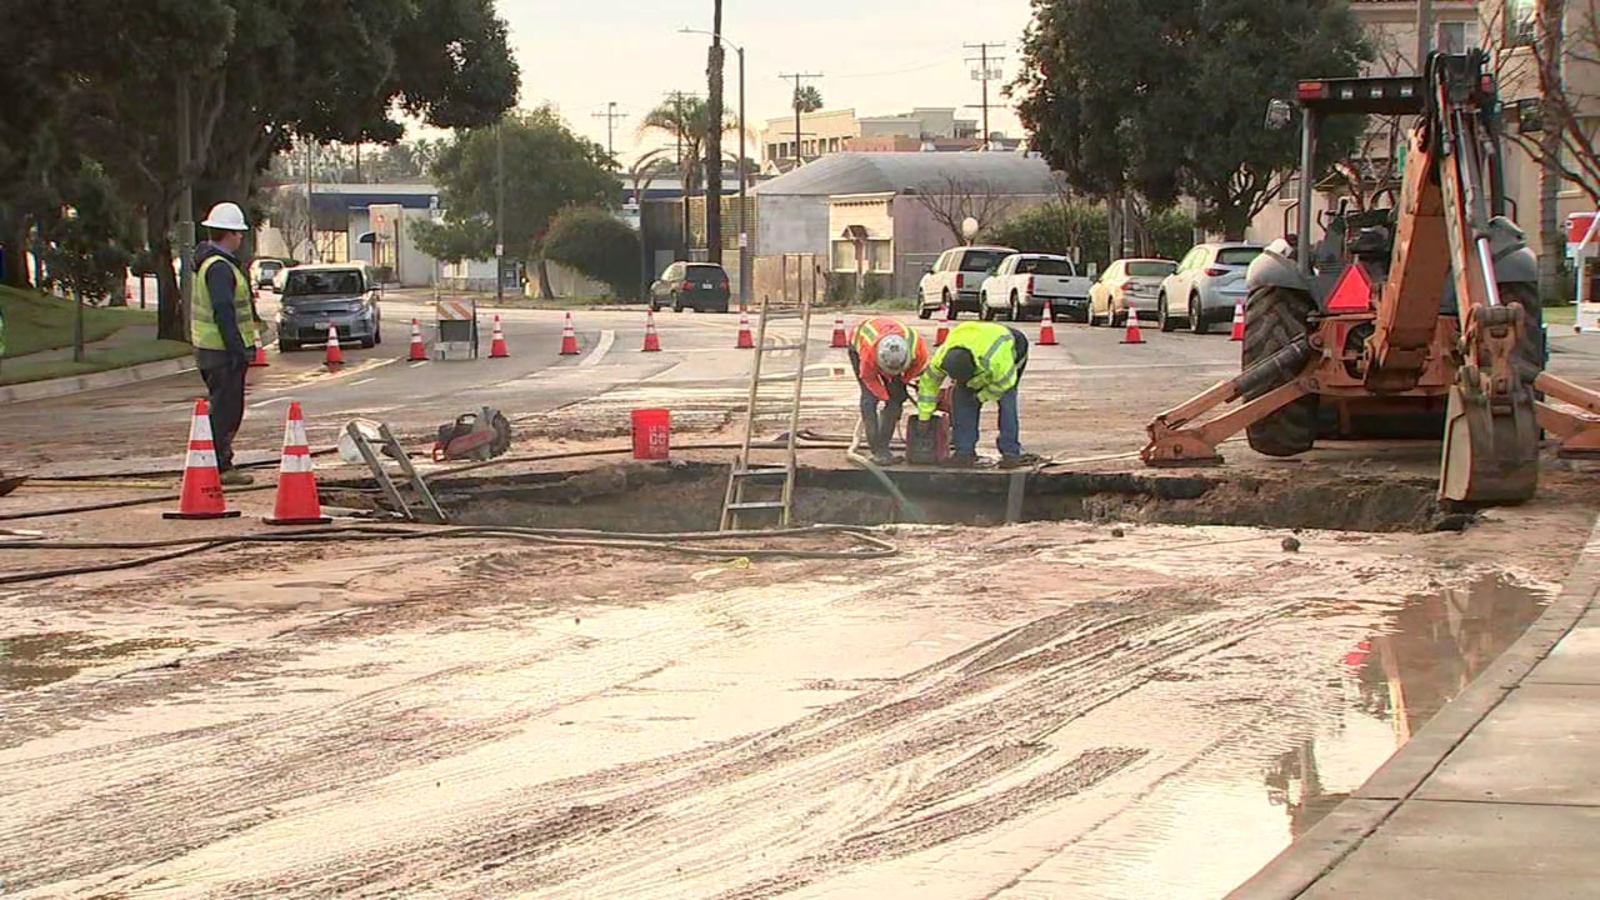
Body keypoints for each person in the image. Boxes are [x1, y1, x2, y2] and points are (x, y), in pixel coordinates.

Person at [191, 202, 259, 486]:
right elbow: (224, 310)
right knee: (226, 410)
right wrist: (237, 350)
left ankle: (214, 460)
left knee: (222, 408)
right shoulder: (219, 267)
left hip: (211, 349)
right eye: (239, 233)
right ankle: (219, 465)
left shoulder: (209, 262)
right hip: (222, 352)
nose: (241, 238)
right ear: (229, 233)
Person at [917, 320, 1043, 469]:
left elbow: (1004, 384)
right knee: (961, 397)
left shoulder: (996, 361)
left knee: (1007, 399)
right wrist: (924, 417)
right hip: (974, 339)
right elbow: (928, 386)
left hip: (1012, 344)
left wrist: (980, 397)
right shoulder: (941, 359)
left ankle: (1010, 452)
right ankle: (964, 452)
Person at [848, 316, 930, 465]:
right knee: (869, 398)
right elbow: (868, 378)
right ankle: (876, 449)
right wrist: (885, 397)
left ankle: (884, 446)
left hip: (891, 342)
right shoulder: (869, 355)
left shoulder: (918, 349)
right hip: (858, 342)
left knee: (896, 398)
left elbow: (915, 368)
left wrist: (902, 384)